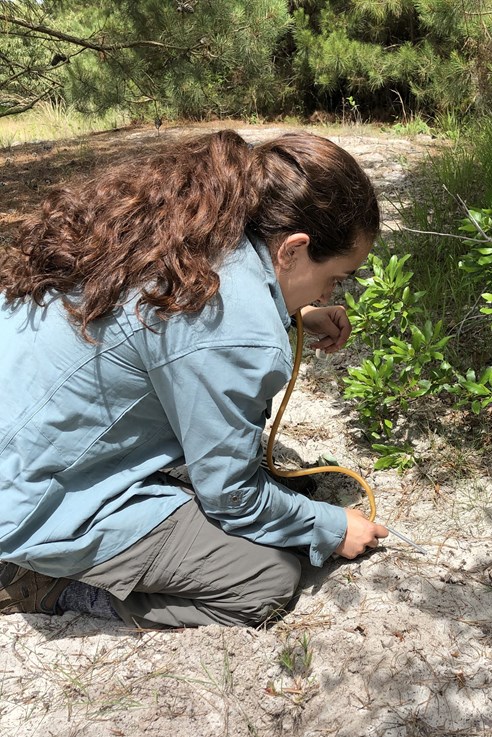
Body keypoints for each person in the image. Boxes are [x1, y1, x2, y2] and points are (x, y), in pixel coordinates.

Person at [0, 130, 389, 628]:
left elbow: (178, 329)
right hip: (33, 505)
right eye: (336, 277)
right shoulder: (236, 329)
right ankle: (44, 584)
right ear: (292, 249)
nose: (334, 289)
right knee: (265, 578)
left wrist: (297, 311)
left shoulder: (189, 229)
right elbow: (232, 498)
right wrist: (331, 528)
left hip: (24, 449)